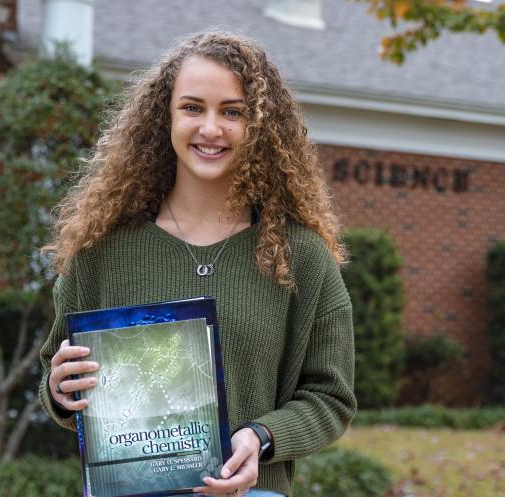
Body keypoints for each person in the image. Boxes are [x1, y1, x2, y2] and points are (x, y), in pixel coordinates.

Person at [39, 31, 356, 497]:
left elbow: (330, 398)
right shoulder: (99, 250)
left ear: (261, 125)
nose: (211, 128)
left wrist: (262, 438)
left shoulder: (301, 256)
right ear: (163, 119)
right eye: (192, 108)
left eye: (233, 111)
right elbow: (59, 376)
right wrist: (60, 390)